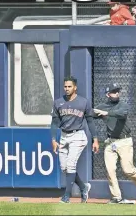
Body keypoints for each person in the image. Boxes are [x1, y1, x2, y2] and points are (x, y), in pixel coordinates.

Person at [94, 84, 136, 204]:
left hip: (124, 141)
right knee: (110, 170)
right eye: (114, 91)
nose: (117, 93)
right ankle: (116, 197)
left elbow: (121, 114)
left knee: (127, 169)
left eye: (118, 91)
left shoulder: (123, 105)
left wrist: (106, 113)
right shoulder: (102, 107)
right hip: (110, 142)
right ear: (108, 94)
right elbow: (90, 115)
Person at [51, 76, 100, 204]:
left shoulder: (84, 102)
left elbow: (90, 121)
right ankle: (84, 187)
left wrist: (95, 139)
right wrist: (53, 139)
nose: (67, 89)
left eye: (69, 86)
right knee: (64, 168)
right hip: (63, 135)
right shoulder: (58, 102)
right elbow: (54, 122)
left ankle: (66, 196)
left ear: (75, 87)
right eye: (65, 86)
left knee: (71, 165)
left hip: (78, 136)